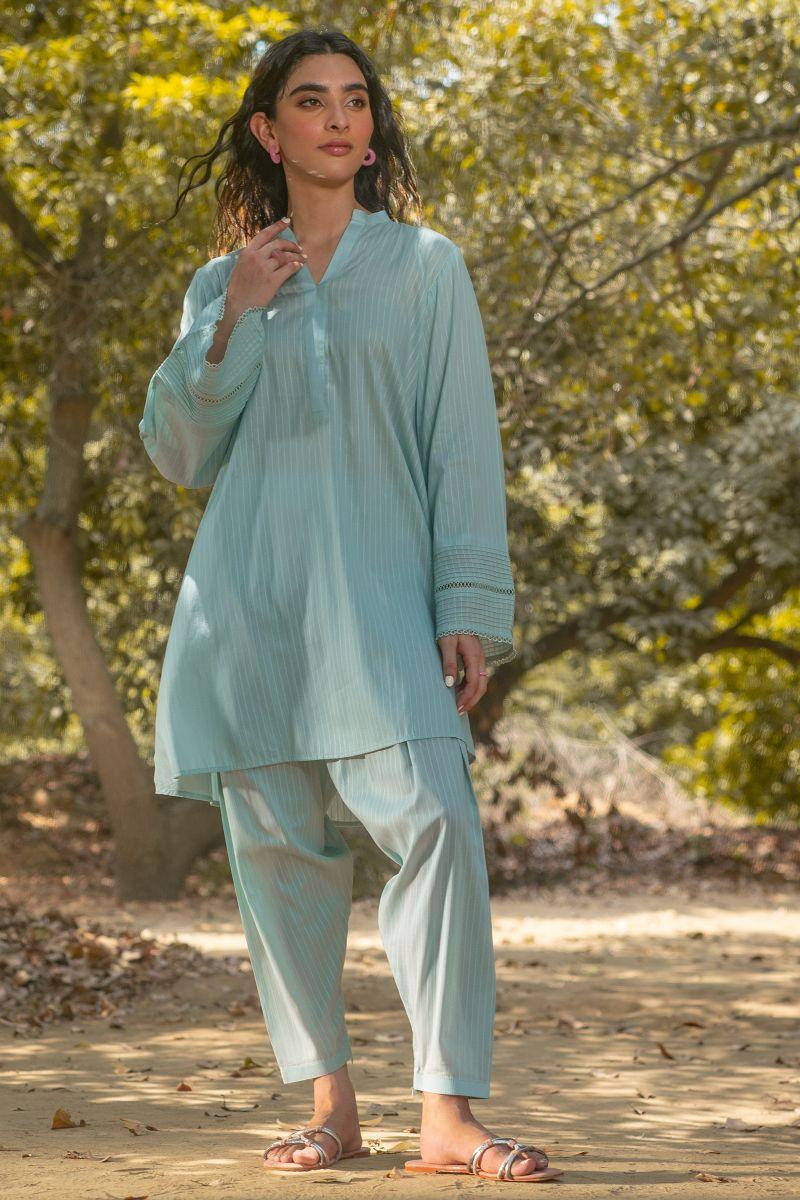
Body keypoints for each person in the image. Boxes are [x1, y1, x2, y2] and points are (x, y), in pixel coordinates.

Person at [139, 27, 562, 1185]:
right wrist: (234, 312)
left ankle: (447, 1115)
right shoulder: (220, 283)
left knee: (435, 824)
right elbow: (178, 453)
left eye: (355, 100)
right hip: (247, 612)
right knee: (280, 856)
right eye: (311, 100)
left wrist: (465, 602)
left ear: (371, 130)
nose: (338, 117)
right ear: (267, 131)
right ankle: (333, 1110)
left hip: (378, 603)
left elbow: (459, 448)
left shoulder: (424, 267)